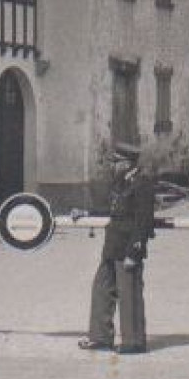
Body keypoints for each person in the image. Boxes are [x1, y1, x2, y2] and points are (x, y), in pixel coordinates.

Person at [81, 142, 155, 355]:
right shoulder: (120, 182)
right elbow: (109, 210)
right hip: (112, 246)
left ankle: (134, 341)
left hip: (128, 248)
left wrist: (135, 251)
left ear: (127, 163)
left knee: (129, 293)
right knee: (101, 288)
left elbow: (143, 221)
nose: (113, 166)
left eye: (116, 162)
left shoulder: (142, 183)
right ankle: (100, 337)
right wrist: (85, 213)